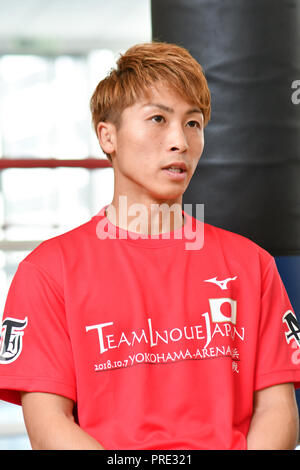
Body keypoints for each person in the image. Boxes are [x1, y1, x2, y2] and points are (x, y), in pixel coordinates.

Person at [0, 41, 300, 451]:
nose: (179, 141)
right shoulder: (48, 271)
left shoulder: (253, 265)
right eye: (158, 118)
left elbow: (277, 410)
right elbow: (49, 424)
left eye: (193, 123)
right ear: (108, 136)